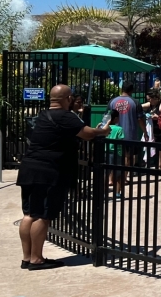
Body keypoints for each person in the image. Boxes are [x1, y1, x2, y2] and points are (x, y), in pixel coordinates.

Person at [16, 84, 110, 269]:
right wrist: (103, 131)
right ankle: (36, 259)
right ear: (67, 99)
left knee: (28, 215)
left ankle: (27, 258)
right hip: (49, 172)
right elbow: (88, 134)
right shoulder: (66, 116)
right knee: (43, 216)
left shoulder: (43, 115)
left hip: (29, 168)